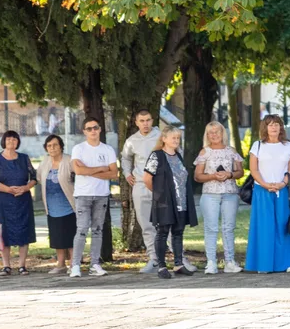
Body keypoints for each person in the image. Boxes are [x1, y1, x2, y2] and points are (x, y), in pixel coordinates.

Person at [246, 115, 290, 273]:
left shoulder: (288, 146)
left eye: (276, 124)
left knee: (284, 225)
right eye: (270, 125)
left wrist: (283, 183)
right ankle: (264, 264)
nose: (273, 127)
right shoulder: (257, 146)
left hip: (283, 190)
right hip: (262, 191)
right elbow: (253, 169)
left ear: (281, 127)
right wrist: (265, 184)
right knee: (265, 227)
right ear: (265, 128)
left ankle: (289, 262)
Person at [142, 126, 198, 279]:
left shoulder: (178, 156)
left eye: (178, 138)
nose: (176, 140)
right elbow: (147, 178)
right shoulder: (157, 155)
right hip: (164, 202)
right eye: (173, 137)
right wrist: (159, 194)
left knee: (178, 232)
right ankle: (161, 266)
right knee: (162, 232)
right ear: (164, 139)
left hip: (181, 201)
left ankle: (179, 264)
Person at [193, 121, 245, 274]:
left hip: (230, 193)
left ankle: (230, 262)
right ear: (207, 135)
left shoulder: (231, 151)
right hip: (210, 194)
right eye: (211, 132)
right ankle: (211, 262)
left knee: (228, 228)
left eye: (217, 131)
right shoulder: (204, 152)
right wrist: (213, 176)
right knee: (211, 228)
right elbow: (197, 176)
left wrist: (229, 174)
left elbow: (240, 172)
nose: (214, 135)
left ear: (223, 133)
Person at [70, 116, 118, 278]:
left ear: (100, 129)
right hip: (83, 194)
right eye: (89, 129)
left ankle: (94, 264)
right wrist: (100, 169)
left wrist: (90, 170)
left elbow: (113, 173)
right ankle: (75, 265)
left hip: (101, 195)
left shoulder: (108, 150)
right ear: (84, 131)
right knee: (82, 229)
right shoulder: (79, 149)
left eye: (95, 128)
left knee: (97, 230)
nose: (93, 131)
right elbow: (78, 171)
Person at [120, 110, 162, 273]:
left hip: (160, 183)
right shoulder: (132, 141)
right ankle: (154, 259)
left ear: (152, 120)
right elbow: (125, 158)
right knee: (145, 223)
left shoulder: (161, 136)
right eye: (142, 120)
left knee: (167, 221)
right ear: (136, 122)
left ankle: (178, 258)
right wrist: (127, 173)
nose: (145, 123)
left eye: (148, 120)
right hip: (140, 184)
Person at [0, 130, 37, 276]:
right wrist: (9, 190)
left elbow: (34, 177)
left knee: (24, 230)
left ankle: (22, 265)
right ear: (4, 141)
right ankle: (6, 266)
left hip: (22, 200)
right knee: (4, 232)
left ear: (18, 142)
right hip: (3, 200)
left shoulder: (24, 158)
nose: (11, 142)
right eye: (9, 139)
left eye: (14, 139)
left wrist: (25, 188)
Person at [38, 134, 75, 274]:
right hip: (52, 205)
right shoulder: (45, 161)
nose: (52, 148)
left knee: (71, 235)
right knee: (57, 236)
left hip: (69, 204)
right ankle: (60, 264)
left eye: (55, 145)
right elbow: (40, 177)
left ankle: (73, 263)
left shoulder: (69, 160)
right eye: (49, 146)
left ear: (61, 146)